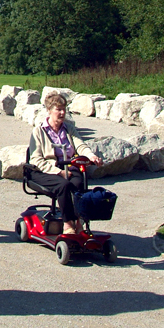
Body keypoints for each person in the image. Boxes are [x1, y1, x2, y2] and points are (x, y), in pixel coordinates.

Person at [27, 93, 104, 234]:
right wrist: (59, 172)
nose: (62, 113)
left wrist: (91, 156)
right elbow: (35, 159)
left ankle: (79, 222)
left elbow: (80, 146)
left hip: (68, 166)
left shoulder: (69, 128)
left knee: (79, 184)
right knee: (64, 185)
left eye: (64, 109)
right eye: (58, 109)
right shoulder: (39, 131)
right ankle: (68, 224)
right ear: (49, 110)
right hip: (45, 170)